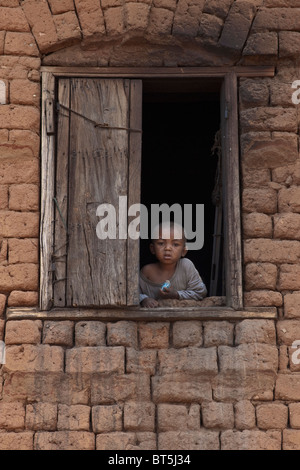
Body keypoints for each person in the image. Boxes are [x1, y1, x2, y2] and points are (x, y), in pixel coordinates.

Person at [139, 221, 207, 308]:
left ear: (183, 251)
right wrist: (144, 299)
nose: (168, 248)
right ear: (152, 249)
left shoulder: (186, 266)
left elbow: (201, 292)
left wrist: (176, 294)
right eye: (161, 243)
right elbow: (131, 293)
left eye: (175, 244)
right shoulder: (147, 271)